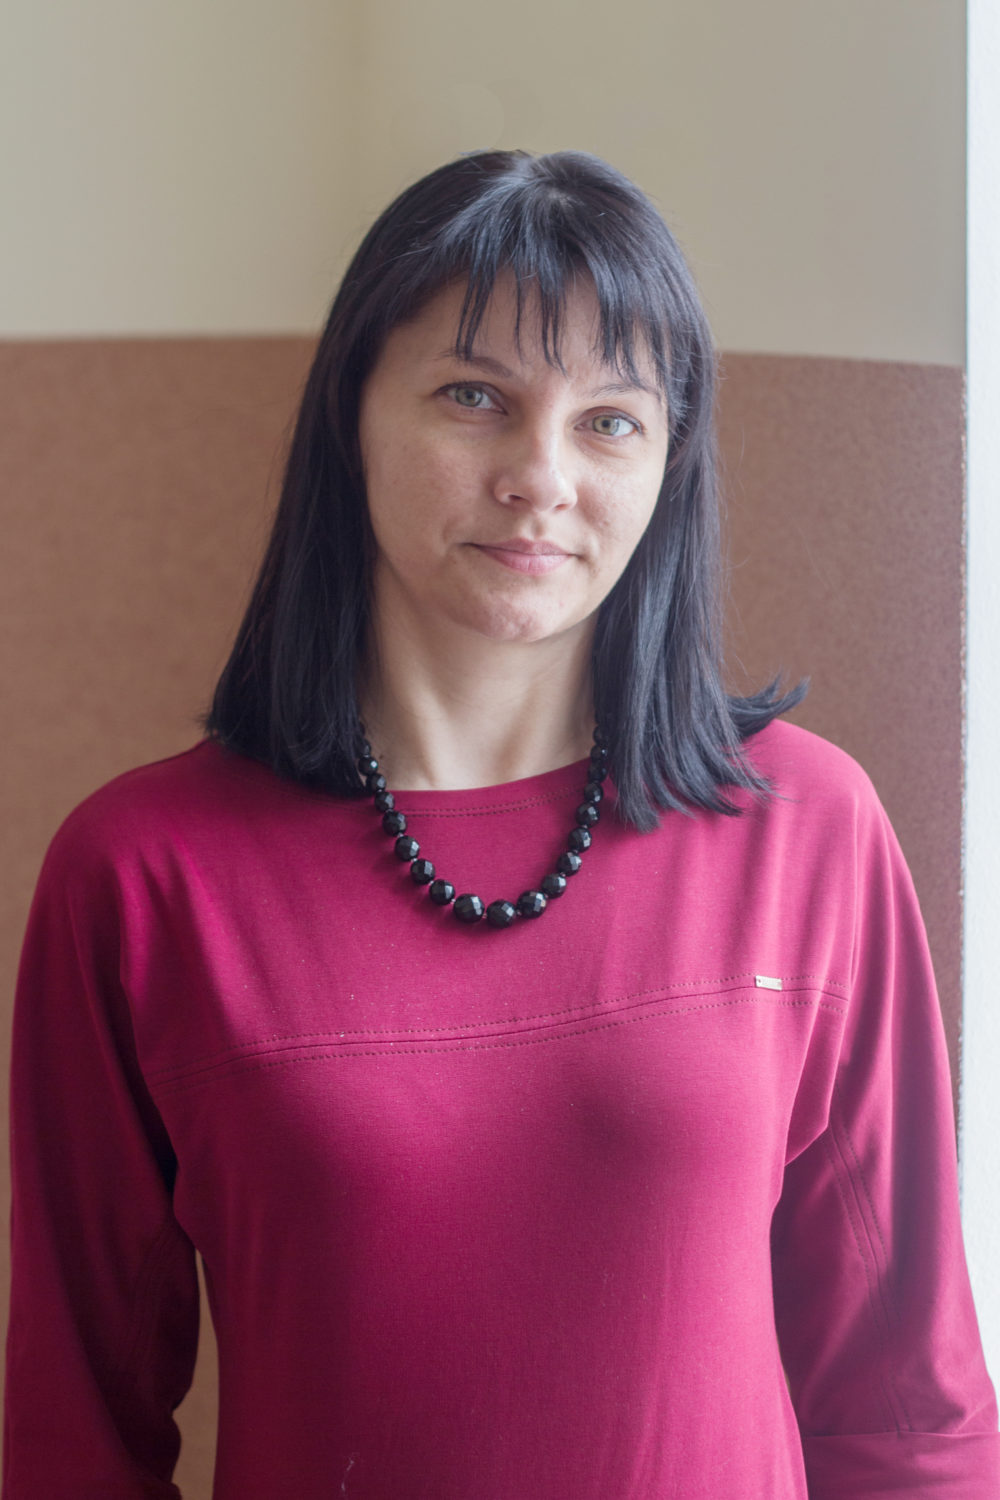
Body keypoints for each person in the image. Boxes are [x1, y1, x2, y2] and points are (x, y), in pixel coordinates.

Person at [4, 149, 998, 1499]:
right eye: (474, 397)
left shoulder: (808, 830)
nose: (541, 475)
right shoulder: (140, 877)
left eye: (610, 421)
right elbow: (72, 1441)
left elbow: (911, 1411)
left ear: (669, 462)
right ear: (351, 415)